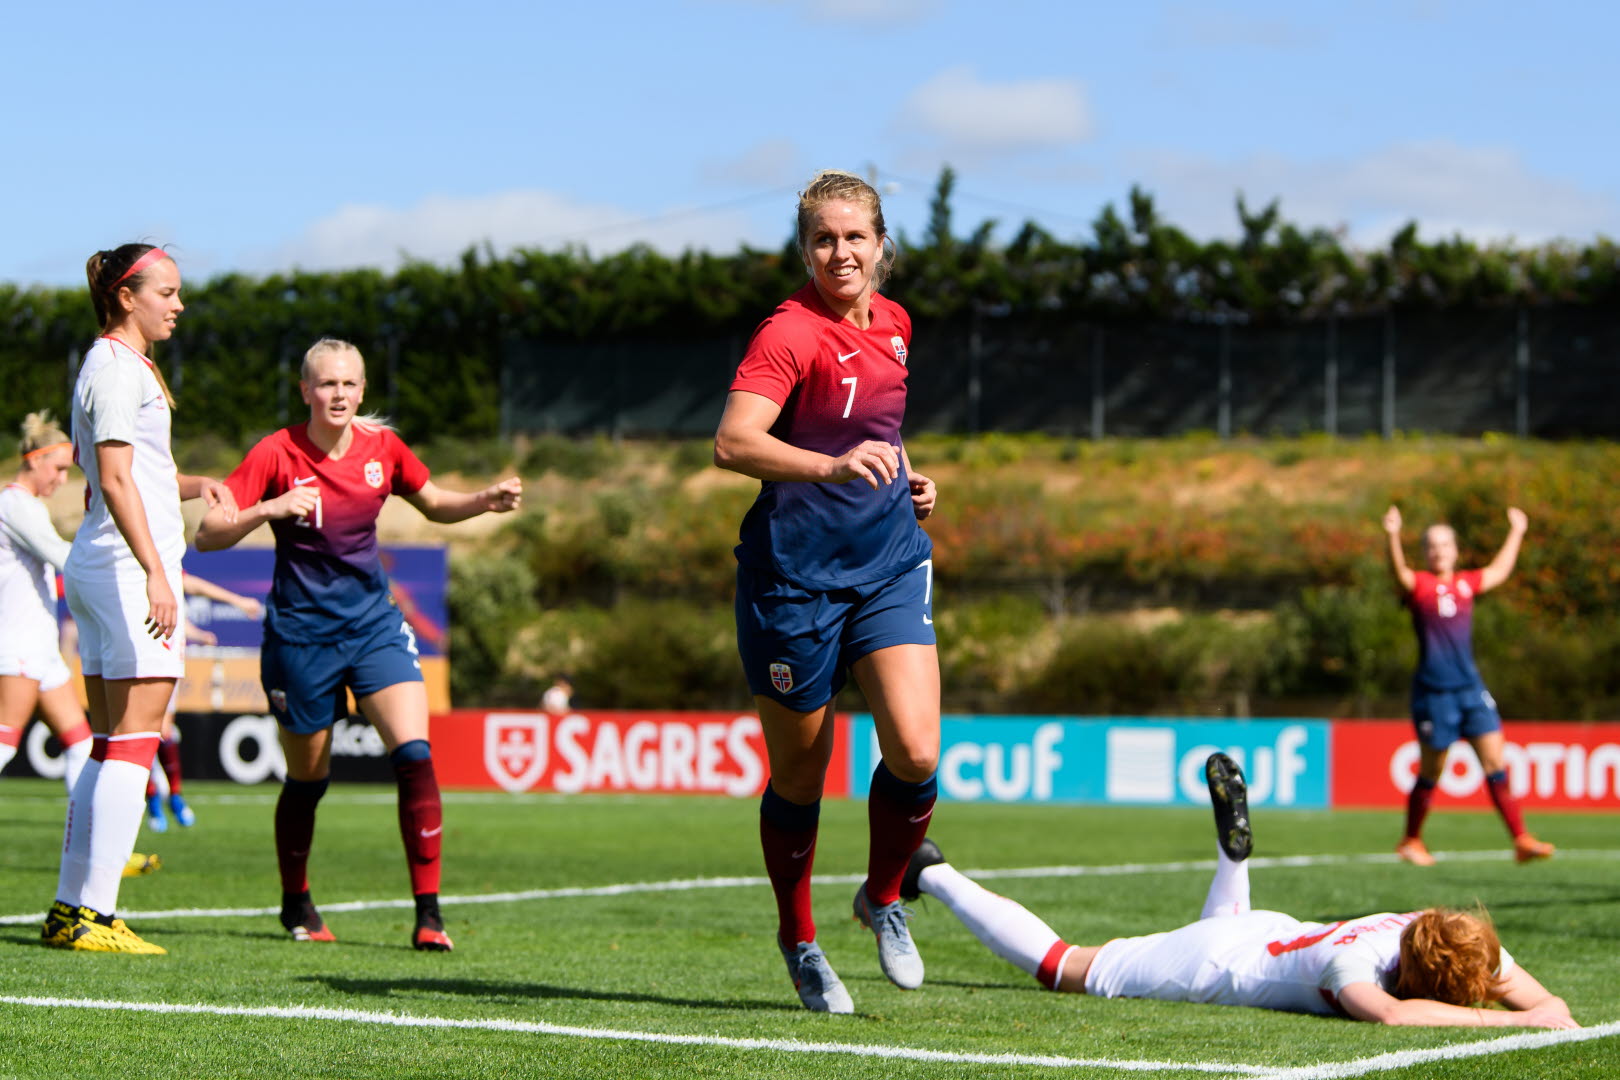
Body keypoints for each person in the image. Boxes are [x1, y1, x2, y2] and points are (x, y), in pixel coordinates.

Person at [195, 336, 521, 951]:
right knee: (309, 780)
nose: (338, 394)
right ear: (305, 391)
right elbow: (209, 534)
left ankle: (430, 916)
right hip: (299, 636)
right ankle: (296, 902)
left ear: (363, 390)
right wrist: (271, 508)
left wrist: (484, 500)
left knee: (415, 755)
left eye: (348, 383)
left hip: (373, 626)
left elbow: (434, 503)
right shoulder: (275, 451)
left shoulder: (384, 449)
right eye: (326, 383)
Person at [713, 170, 940, 1013]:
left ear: (882, 244)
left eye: (854, 237)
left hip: (886, 561)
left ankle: (882, 897)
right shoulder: (789, 332)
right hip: (793, 582)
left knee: (915, 752)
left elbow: (882, 430)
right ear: (804, 247)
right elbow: (733, 443)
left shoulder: (898, 325)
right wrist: (830, 467)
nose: (840, 253)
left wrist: (910, 481)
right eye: (823, 239)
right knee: (802, 777)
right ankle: (799, 940)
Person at [905, 754, 1577, 1028]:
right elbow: (1397, 1016)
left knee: (1228, 921)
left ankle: (1234, 857)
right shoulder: (1357, 971)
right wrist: (1516, 1018)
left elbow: (1546, 1001)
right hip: (1222, 960)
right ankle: (930, 869)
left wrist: (1538, 1006)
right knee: (1063, 968)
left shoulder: (1430, 925)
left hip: (1266, 932)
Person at [42, 244, 238, 955]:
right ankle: (94, 913)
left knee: (109, 743)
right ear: (128, 296)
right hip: (125, 571)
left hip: (102, 565)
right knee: (135, 742)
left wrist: (199, 485)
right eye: (168, 291)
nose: (178, 304)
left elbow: (140, 474)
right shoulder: (117, 369)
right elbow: (117, 482)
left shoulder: (115, 367)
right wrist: (159, 570)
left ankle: (71, 911)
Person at [1381, 505, 1553, 866]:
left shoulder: (1465, 584)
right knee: (1432, 770)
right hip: (1434, 692)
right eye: (1432, 545)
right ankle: (1411, 840)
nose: (1439, 550)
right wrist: (1392, 535)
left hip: (1471, 689)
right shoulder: (1420, 585)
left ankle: (1521, 839)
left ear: (1456, 550)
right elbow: (1399, 573)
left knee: (1495, 762)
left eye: (1445, 544)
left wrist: (1518, 531)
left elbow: (1500, 570)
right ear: (1425, 552)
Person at [0, 412, 94, 793]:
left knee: (81, 744)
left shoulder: (24, 505)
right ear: (35, 459)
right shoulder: (16, 505)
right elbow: (63, 557)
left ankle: (90, 848)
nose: (62, 478)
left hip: (41, 647)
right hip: (19, 642)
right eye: (57, 468)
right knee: (4, 743)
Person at [143, 572, 264, 832]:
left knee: (162, 731)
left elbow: (188, 591)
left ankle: (173, 796)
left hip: (166, 655)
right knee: (142, 732)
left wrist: (237, 603)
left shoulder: (166, 563)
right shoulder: (140, 565)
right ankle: (153, 798)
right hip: (141, 655)